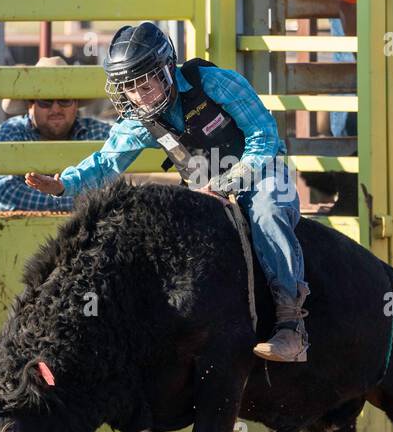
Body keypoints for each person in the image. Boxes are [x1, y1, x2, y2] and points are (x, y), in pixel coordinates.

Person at [23, 22, 310, 363]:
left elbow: (263, 136)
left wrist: (225, 184)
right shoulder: (140, 118)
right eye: (130, 89)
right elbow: (106, 162)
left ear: (166, 71)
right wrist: (64, 184)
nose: (139, 97)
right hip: (203, 189)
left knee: (268, 213)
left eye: (145, 85)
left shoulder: (216, 84)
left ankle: (291, 325)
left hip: (262, 175)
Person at [0, 56, 112, 211]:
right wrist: (85, 203)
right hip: (18, 232)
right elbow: (5, 195)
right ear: (30, 104)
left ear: (75, 103)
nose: (56, 109)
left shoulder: (98, 133)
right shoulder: (10, 132)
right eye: (46, 100)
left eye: (64, 100)